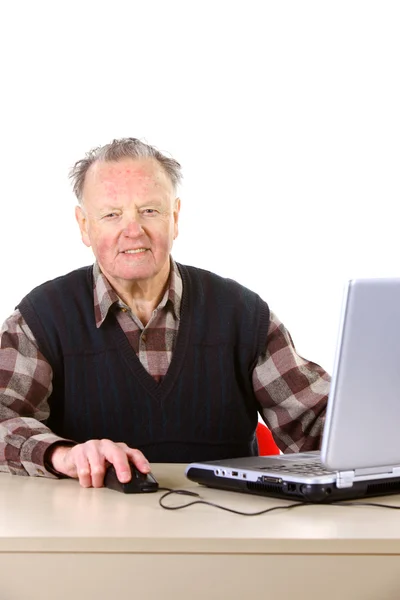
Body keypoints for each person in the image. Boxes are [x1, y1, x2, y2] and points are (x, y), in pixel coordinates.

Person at [0, 137, 330, 489]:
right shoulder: (42, 318)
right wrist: (63, 454)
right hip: (91, 533)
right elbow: (4, 418)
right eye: (112, 214)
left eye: (149, 211)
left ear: (174, 217)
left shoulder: (242, 315)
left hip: (226, 531)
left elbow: (318, 424)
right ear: (84, 225)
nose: (133, 230)